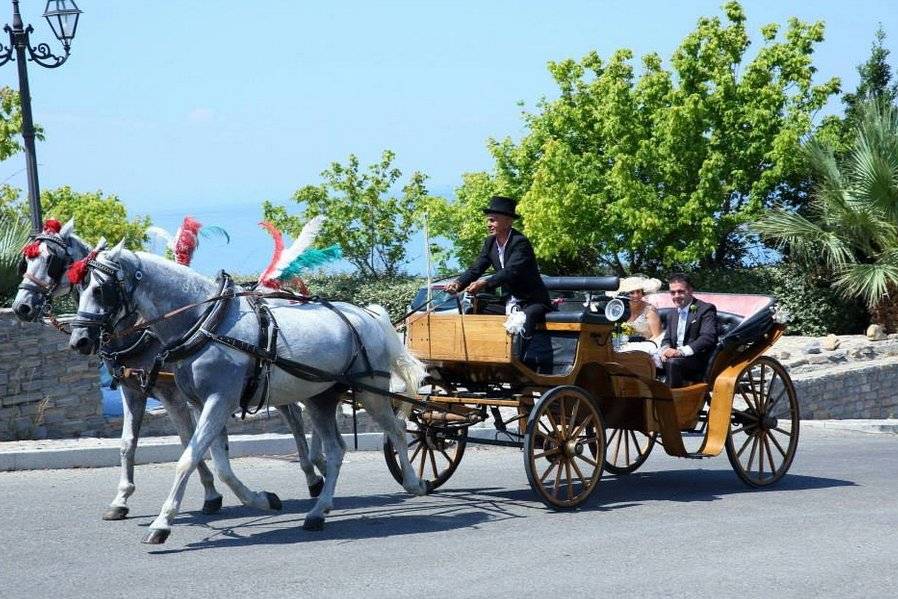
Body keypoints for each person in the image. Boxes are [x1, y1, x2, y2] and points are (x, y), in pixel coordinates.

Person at [444, 195, 552, 338]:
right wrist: (458, 283)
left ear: (508, 221)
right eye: (488, 220)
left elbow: (511, 271)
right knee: (474, 311)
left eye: (493, 220)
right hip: (508, 301)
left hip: (532, 302)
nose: (489, 224)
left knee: (521, 320)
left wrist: (485, 282)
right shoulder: (490, 243)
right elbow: (476, 269)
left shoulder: (520, 243)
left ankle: (523, 357)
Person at [659, 273, 718, 388]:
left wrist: (680, 352)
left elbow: (708, 337)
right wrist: (665, 350)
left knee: (672, 363)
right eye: (672, 292)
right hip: (675, 358)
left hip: (697, 359)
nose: (676, 296)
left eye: (681, 292)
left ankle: (674, 401)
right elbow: (667, 338)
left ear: (690, 291)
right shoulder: (672, 314)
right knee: (644, 360)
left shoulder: (706, 309)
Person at [615, 276, 664, 354]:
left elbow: (657, 335)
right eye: (632, 292)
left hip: (647, 347)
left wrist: (639, 347)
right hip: (623, 348)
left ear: (642, 293)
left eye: (638, 292)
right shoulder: (620, 310)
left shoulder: (650, 309)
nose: (636, 295)